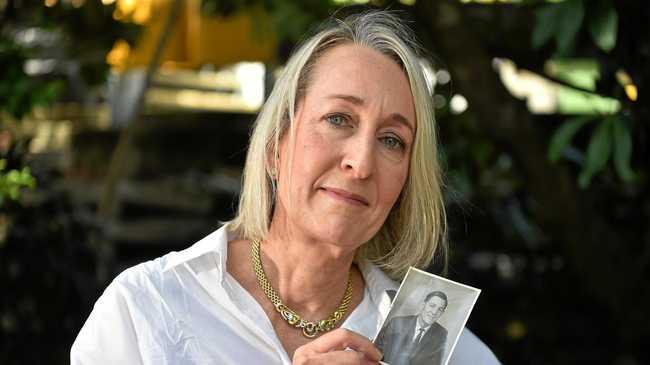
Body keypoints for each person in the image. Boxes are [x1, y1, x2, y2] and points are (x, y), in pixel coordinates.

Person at [71, 10, 500, 365]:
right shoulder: (145, 309)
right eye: (339, 119)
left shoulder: (439, 348)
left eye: (392, 141)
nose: (361, 162)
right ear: (277, 146)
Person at [375, 291, 449, 365]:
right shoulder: (397, 322)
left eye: (440, 309)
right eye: (432, 305)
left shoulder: (441, 334)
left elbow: (435, 362)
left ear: (442, 313)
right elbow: (377, 349)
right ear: (423, 305)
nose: (434, 312)